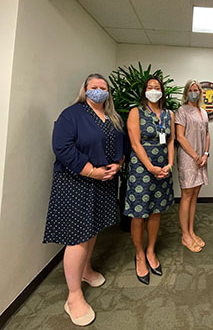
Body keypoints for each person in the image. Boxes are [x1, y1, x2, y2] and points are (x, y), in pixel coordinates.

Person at [43, 73, 125, 326]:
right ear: (85, 90)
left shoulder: (112, 118)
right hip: (77, 182)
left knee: (92, 231)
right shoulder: (72, 115)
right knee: (77, 237)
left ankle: (86, 270)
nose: (99, 91)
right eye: (94, 87)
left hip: (103, 183)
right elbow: (63, 148)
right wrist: (91, 170)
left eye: (103, 88)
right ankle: (73, 295)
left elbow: (122, 147)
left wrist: (117, 165)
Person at [125, 75, 175, 285]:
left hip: (163, 167)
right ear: (144, 91)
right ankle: (139, 254)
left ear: (162, 91)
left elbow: (171, 141)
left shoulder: (168, 114)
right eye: (150, 87)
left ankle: (151, 251)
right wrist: (150, 167)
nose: (153, 90)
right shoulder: (136, 112)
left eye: (157, 87)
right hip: (142, 169)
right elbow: (136, 144)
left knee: (155, 210)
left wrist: (170, 165)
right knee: (139, 213)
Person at [175, 79, 210, 253]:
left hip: (201, 158)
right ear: (186, 92)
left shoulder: (203, 112)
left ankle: (191, 231)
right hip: (188, 157)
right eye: (191, 89)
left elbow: (208, 134)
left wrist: (205, 154)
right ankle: (185, 235)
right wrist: (195, 155)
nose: (194, 92)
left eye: (197, 89)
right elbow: (180, 137)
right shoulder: (182, 111)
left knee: (195, 194)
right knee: (187, 195)